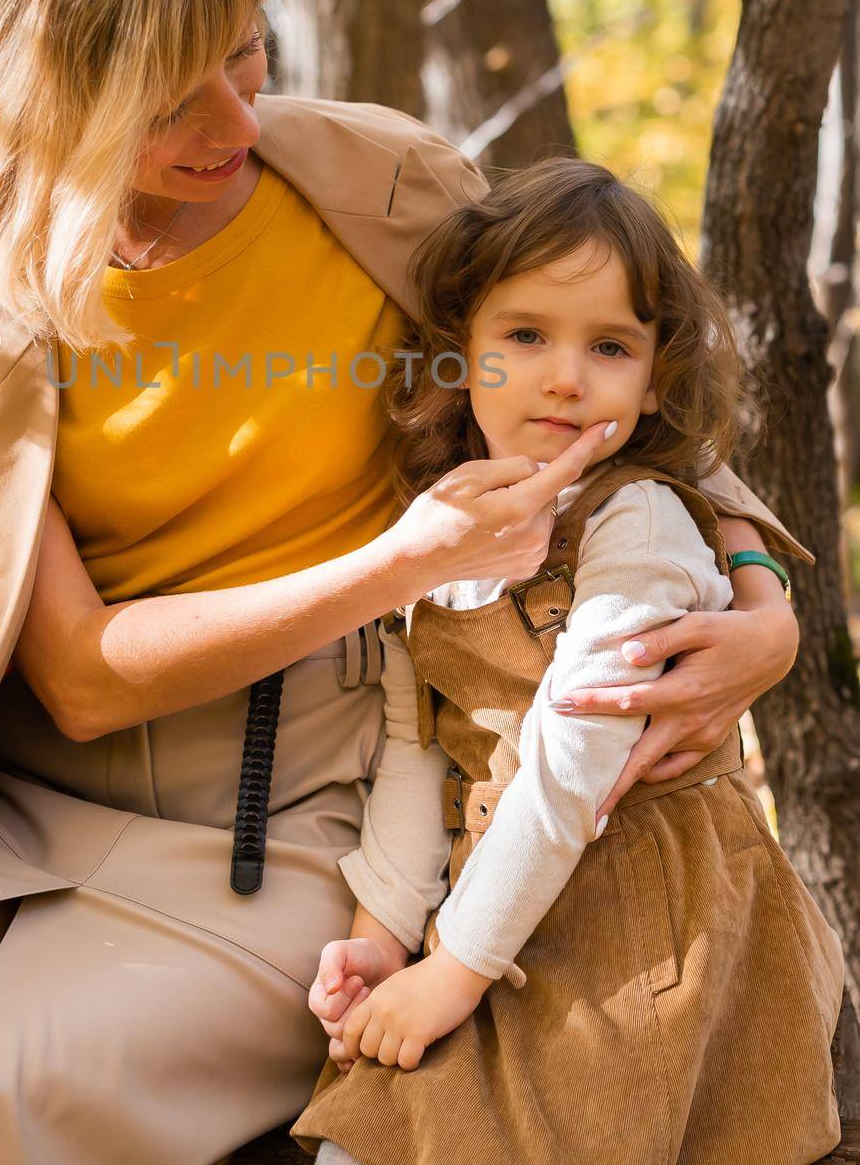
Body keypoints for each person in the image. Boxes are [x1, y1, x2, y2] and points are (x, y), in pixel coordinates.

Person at [0, 0, 813, 1165]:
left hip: (313, 821)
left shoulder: (384, 191)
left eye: (244, 51)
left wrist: (761, 606)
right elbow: (36, 680)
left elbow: (609, 377)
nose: (238, 120)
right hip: (22, 808)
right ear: (38, 92)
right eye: (172, 99)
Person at [291, 159, 845, 1165]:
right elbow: (419, 753)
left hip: (652, 927)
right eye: (524, 335)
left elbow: (568, 765)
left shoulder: (636, 522)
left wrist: (450, 972)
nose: (564, 375)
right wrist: (381, 937)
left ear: (653, 374)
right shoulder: (439, 531)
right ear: (461, 350)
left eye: (609, 346)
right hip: (499, 906)